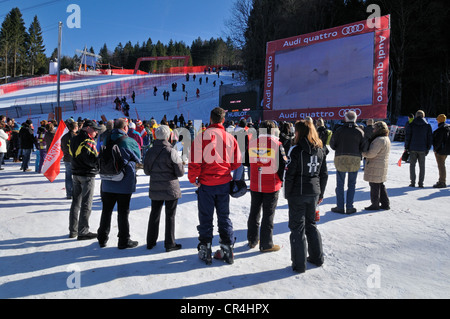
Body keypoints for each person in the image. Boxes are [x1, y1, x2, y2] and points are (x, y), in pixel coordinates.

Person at [188, 107, 241, 264]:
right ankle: (227, 249)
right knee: (223, 216)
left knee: (206, 216)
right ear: (223, 120)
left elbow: (194, 161)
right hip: (223, 183)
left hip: (206, 184)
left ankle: (205, 248)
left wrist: (193, 178)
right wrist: (225, 170)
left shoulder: (201, 137)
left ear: (210, 119)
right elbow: (236, 162)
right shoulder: (230, 138)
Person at [284, 120, 328, 273]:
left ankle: (299, 264)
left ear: (299, 132)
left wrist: (287, 193)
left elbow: (289, 175)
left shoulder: (295, 150)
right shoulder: (320, 149)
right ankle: (317, 258)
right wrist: (320, 193)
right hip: (313, 192)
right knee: (311, 225)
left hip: (298, 193)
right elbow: (324, 174)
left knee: (297, 228)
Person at [97, 118, 141, 249]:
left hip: (107, 180)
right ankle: (123, 240)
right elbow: (138, 157)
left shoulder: (107, 139)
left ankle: (102, 238)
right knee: (123, 212)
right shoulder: (129, 141)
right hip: (124, 181)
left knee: (106, 210)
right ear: (125, 127)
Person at [144, 125, 185, 252]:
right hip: (170, 188)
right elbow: (180, 173)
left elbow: (146, 171)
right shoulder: (171, 151)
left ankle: (150, 242)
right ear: (168, 136)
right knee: (170, 216)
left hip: (156, 187)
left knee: (154, 214)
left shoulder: (150, 151)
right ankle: (169, 243)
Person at [247, 120, 286, 252]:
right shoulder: (277, 144)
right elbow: (283, 166)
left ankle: (252, 240)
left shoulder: (253, 143)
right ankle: (266, 243)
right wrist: (280, 180)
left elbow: (246, 162)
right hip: (271, 184)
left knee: (254, 212)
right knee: (268, 215)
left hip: (255, 183)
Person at [68, 120, 101, 240]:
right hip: (87, 174)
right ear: (87, 128)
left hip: (76, 173)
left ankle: (73, 230)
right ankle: (83, 231)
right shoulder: (88, 141)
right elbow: (91, 159)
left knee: (76, 202)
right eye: (94, 129)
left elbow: (70, 154)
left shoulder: (74, 138)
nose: (96, 132)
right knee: (86, 203)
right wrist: (97, 166)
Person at [329, 111, 366, 214]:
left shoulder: (339, 130)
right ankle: (350, 207)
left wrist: (339, 148)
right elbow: (364, 146)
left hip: (341, 158)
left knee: (340, 184)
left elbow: (332, 144)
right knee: (352, 184)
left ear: (345, 119)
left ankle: (340, 206)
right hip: (354, 159)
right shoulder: (360, 131)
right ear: (355, 119)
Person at [361, 121, 391, 210]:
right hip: (380, 164)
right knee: (380, 184)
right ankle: (385, 203)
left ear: (379, 129)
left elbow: (371, 154)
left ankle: (375, 204)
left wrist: (363, 153)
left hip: (376, 164)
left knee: (374, 185)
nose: (373, 130)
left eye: (375, 129)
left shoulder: (379, 140)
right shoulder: (385, 138)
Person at [405, 110, 432, 188]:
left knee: (412, 165)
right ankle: (421, 183)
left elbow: (408, 137)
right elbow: (429, 138)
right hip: (423, 149)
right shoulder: (427, 126)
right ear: (423, 116)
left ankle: (412, 182)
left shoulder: (411, 124)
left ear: (416, 116)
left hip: (412, 148)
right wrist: (428, 148)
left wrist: (407, 147)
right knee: (422, 166)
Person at [61, 120, 78, 199]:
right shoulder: (76, 136)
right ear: (75, 128)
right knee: (76, 176)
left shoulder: (64, 137)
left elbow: (62, 147)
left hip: (67, 158)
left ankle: (69, 193)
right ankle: (75, 192)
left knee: (68, 176)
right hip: (74, 158)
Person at [432, 114, 450, 188]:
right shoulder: (448, 127)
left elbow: (438, 142)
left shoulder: (440, 130)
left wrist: (435, 149)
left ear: (439, 120)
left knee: (441, 166)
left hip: (441, 151)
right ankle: (442, 181)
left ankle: (442, 182)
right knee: (442, 166)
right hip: (447, 150)